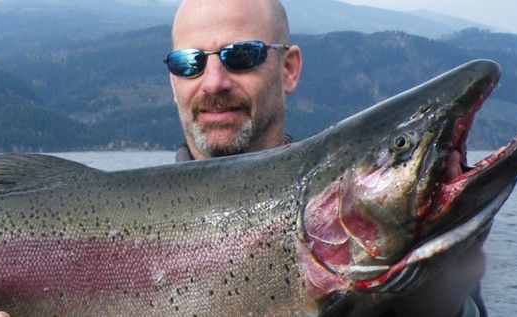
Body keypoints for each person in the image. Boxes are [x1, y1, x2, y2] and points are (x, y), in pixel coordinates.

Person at [166, 0, 488, 316]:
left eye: (240, 56)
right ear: (173, 81)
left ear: (288, 70)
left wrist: (447, 308)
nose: (213, 83)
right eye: (188, 63)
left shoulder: (398, 237)